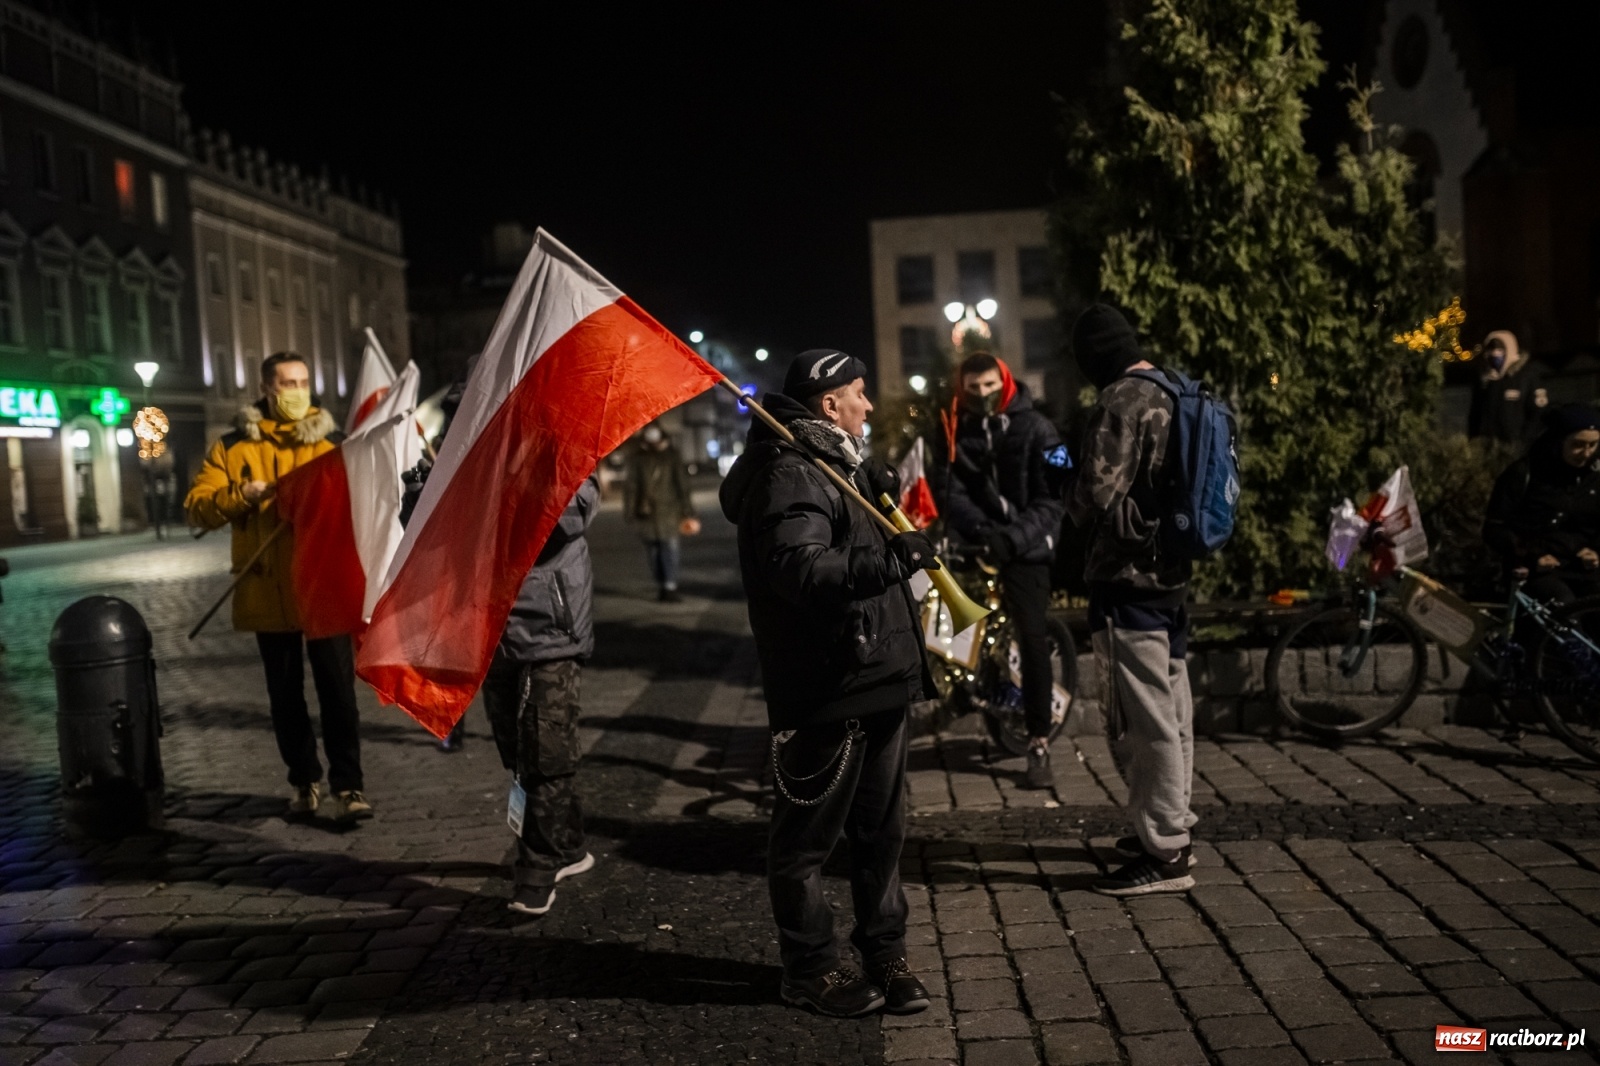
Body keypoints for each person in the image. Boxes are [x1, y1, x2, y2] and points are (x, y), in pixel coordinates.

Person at [719, 349, 937, 1018]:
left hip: (878, 675)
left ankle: (883, 950)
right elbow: (802, 572)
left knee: (881, 834)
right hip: (830, 684)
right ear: (827, 405)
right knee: (806, 842)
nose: (869, 405)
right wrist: (886, 563)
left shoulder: (839, 466)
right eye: (859, 393)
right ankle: (809, 966)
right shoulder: (791, 474)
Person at [185, 352, 372, 823]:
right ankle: (303, 779)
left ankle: (348, 786)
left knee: (338, 693)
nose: (298, 391)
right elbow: (197, 509)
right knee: (284, 694)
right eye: (288, 382)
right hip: (268, 587)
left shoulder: (334, 443)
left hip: (322, 586)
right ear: (267, 389)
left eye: (304, 381)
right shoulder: (231, 446)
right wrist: (242, 496)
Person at [1066, 304, 1196, 897]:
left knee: (1147, 722)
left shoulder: (1123, 398)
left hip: (1129, 576)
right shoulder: (1174, 388)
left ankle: (1165, 850)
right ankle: (1164, 826)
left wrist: (1067, 496)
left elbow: (1097, 490)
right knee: (1173, 708)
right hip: (1172, 572)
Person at [940, 351, 1069, 788]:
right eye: (973, 388)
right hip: (981, 544)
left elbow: (1055, 498)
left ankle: (1038, 741)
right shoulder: (962, 430)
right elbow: (953, 491)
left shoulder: (1040, 429)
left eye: (990, 386)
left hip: (1029, 550)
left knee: (1032, 638)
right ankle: (963, 690)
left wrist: (1012, 538)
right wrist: (978, 528)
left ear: (1006, 381)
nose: (983, 395)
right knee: (939, 613)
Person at [485, 474, 601, 916]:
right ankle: (569, 847)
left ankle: (536, 870)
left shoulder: (562, 447)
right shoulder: (468, 451)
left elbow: (570, 517)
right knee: (516, 750)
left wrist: (504, 490)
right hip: (491, 627)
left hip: (549, 629)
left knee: (547, 748)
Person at [1483, 404, 1600, 606]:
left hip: (1582, 569)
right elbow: (1495, 528)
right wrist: (1531, 555)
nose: (1586, 453)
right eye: (1577, 445)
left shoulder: (1594, 477)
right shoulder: (1525, 473)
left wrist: (1594, 550)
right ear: (1559, 441)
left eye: (1593, 445)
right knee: (1563, 607)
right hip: (1535, 569)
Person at [624, 424, 698, 602]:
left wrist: (688, 510)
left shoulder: (672, 457)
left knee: (669, 548)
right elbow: (631, 487)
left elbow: (682, 485)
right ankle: (662, 583)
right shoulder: (638, 459)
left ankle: (670, 586)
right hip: (646, 512)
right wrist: (630, 510)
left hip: (670, 511)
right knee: (653, 551)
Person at [1470, 330, 1549, 445]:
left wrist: (1523, 441)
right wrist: (1474, 440)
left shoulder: (1527, 376)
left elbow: (1538, 414)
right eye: (1491, 350)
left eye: (1500, 350)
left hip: (1516, 447)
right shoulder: (1484, 379)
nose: (1495, 354)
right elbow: (1475, 414)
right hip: (1487, 448)